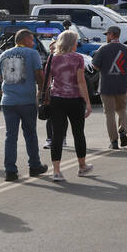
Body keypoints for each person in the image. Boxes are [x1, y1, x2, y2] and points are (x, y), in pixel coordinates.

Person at [0, 29, 49, 182]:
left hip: (8, 101)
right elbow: (39, 74)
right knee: (30, 134)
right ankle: (34, 166)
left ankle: (10, 171)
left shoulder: (3, 54)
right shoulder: (32, 53)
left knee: (10, 137)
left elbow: (1, 76)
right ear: (25, 40)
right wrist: (43, 93)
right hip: (26, 100)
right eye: (32, 40)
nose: (33, 43)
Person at [45, 31, 93, 181]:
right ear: (73, 43)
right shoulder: (78, 58)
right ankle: (82, 166)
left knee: (57, 135)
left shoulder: (52, 57)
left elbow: (47, 81)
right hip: (75, 99)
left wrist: (45, 98)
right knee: (78, 133)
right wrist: (88, 103)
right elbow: (81, 82)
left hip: (56, 99)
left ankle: (57, 171)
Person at [93, 25, 127, 150]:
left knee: (109, 113)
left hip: (106, 86)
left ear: (111, 34)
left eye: (107, 34)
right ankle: (122, 130)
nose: (106, 37)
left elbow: (95, 66)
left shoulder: (103, 49)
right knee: (122, 109)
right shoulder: (126, 50)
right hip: (121, 85)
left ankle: (114, 141)